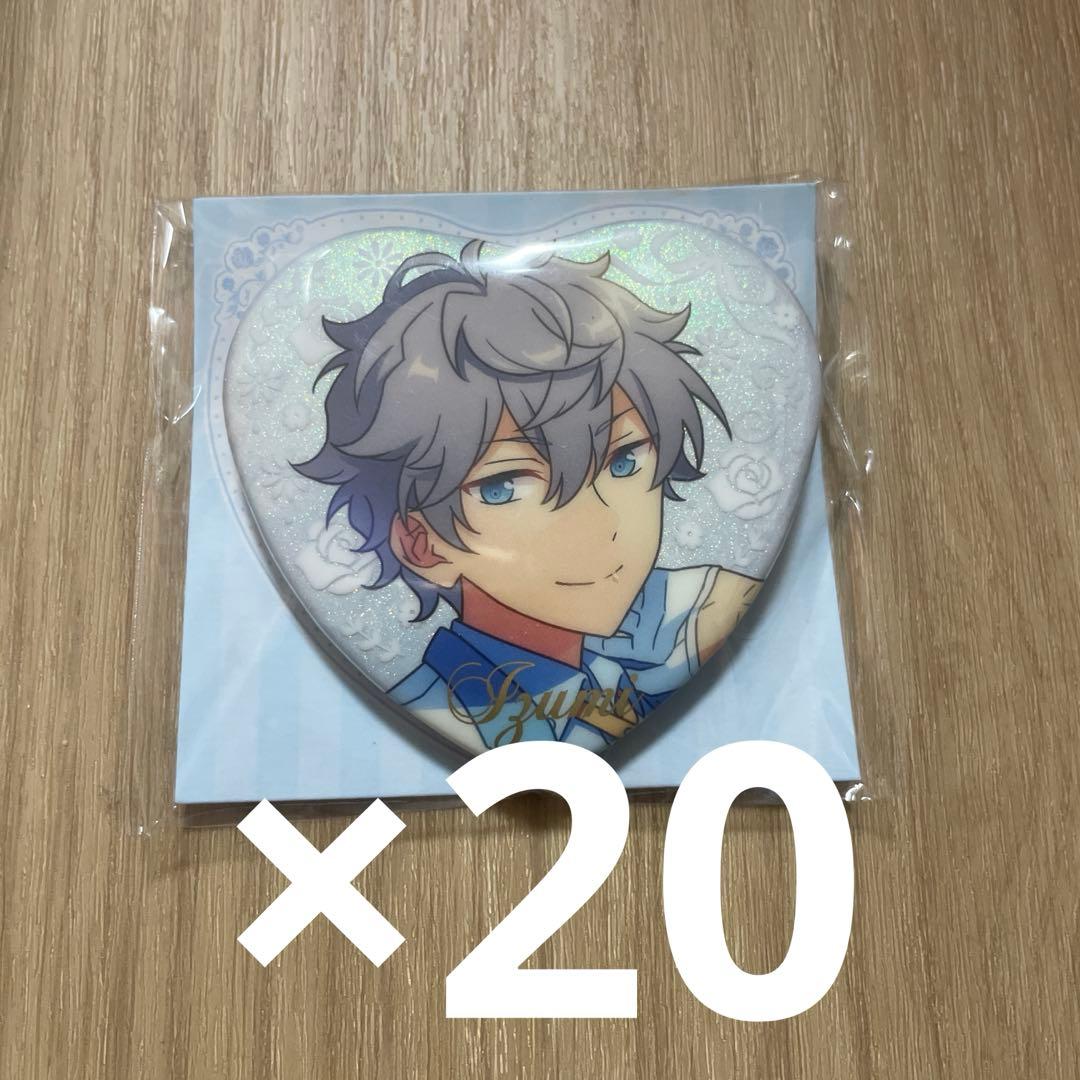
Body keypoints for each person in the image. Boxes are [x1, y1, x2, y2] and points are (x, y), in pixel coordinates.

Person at [296, 239, 759, 751]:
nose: (599, 528)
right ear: (423, 546)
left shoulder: (693, 611)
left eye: (623, 462)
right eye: (503, 486)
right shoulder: (437, 708)